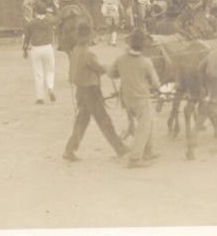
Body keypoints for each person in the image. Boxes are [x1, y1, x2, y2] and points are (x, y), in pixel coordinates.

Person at [62, 23, 129, 162]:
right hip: (91, 91)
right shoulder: (88, 53)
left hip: (81, 91)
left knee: (82, 121)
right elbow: (98, 68)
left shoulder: (75, 50)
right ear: (88, 37)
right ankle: (120, 149)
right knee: (104, 120)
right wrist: (110, 68)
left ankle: (69, 150)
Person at [108, 30, 161, 168]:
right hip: (141, 98)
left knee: (147, 123)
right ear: (143, 47)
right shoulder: (146, 62)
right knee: (144, 126)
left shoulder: (120, 59)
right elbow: (156, 83)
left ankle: (148, 151)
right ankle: (135, 158)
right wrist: (153, 86)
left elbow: (111, 73)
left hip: (126, 98)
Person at [22, 4, 58, 105]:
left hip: (36, 49)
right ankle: (50, 87)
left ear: (35, 12)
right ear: (45, 11)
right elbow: (58, 18)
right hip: (48, 47)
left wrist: (24, 50)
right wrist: (54, 5)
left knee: (38, 72)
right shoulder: (50, 20)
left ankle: (40, 97)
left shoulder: (31, 23)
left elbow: (27, 38)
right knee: (50, 70)